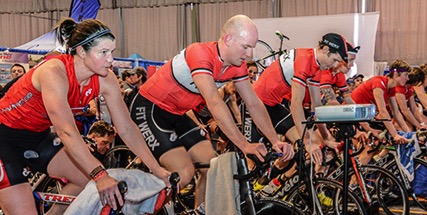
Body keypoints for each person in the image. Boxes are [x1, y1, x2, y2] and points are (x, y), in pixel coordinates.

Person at [0, 19, 170, 214]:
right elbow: (66, 131)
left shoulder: (106, 78)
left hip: (37, 136)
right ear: (81, 52)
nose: (111, 60)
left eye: (112, 52)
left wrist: (157, 169)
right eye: (103, 52)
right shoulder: (54, 71)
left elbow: (126, 128)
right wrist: (100, 174)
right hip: (4, 139)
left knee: (87, 183)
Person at [129, 14, 294, 211]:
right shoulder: (200, 53)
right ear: (228, 39)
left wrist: (274, 139)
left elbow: (254, 103)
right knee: (184, 172)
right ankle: (139, 208)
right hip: (150, 108)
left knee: (211, 166)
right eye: (246, 47)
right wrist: (243, 144)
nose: (249, 55)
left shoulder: (237, 66)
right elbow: (214, 102)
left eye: (252, 48)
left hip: (177, 113)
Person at [351, 59, 411, 144]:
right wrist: (395, 135)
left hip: (363, 114)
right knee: (372, 145)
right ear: (396, 74)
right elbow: (383, 111)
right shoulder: (379, 82)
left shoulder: (391, 88)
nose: (407, 78)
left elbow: (396, 112)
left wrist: (409, 133)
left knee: (381, 140)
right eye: (406, 75)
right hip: (353, 115)